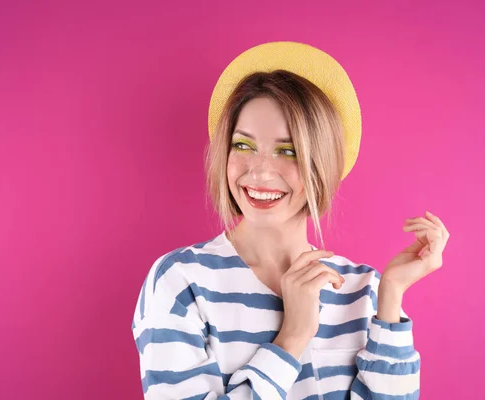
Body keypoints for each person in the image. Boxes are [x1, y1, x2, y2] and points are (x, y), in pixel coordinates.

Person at [131, 41, 450, 400]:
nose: (261, 171)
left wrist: (390, 297)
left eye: (288, 151)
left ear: (323, 164)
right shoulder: (179, 281)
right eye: (243, 145)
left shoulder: (364, 291)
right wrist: (292, 337)